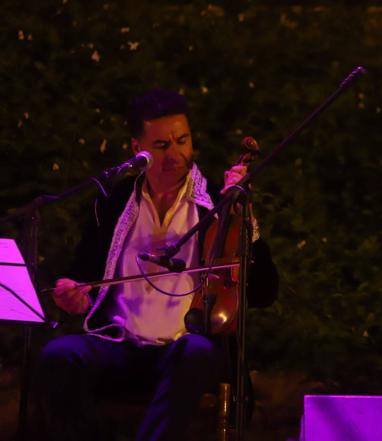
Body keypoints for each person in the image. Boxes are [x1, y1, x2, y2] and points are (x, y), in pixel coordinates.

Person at [34, 88, 278, 441]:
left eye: (182, 140)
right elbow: (84, 277)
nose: (176, 154)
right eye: (162, 145)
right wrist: (75, 292)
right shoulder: (114, 201)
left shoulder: (216, 202)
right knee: (58, 355)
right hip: (118, 344)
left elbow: (264, 292)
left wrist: (245, 221)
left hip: (182, 350)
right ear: (138, 149)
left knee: (196, 352)